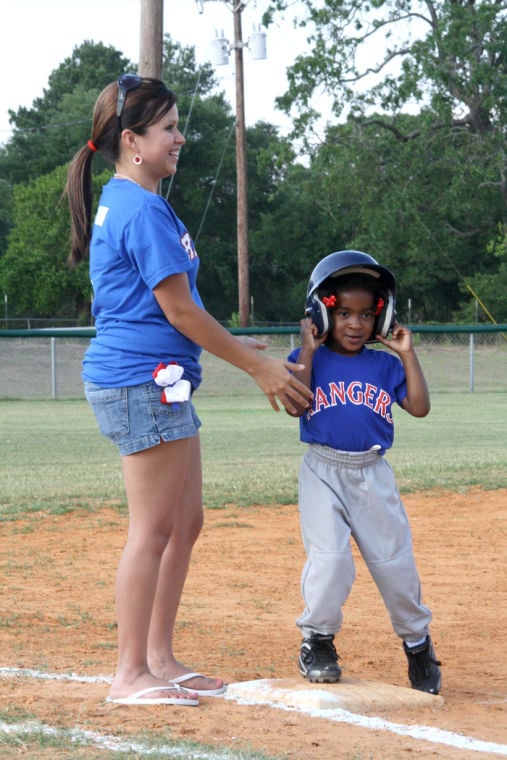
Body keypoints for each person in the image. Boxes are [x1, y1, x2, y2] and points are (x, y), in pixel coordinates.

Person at [65, 74, 313, 707]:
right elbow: (177, 311)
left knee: (184, 523)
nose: (180, 137)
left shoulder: (136, 199)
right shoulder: (140, 206)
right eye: (168, 127)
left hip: (159, 381)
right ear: (131, 140)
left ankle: (158, 658)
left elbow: (181, 309)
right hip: (140, 382)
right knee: (152, 530)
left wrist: (238, 346)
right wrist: (257, 369)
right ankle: (129, 675)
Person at [286, 249, 442, 695]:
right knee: (331, 562)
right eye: (344, 313)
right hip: (322, 469)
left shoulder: (385, 364)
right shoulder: (306, 356)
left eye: (367, 314)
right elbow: (296, 400)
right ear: (321, 311)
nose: (356, 324)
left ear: (383, 316)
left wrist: (408, 355)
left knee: (396, 567)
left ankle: (417, 646)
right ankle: (317, 641)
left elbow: (420, 408)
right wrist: (310, 350)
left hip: (372, 472)